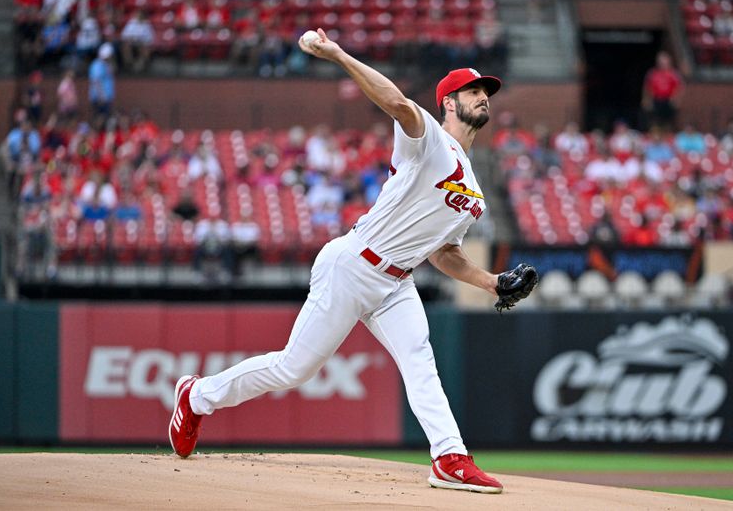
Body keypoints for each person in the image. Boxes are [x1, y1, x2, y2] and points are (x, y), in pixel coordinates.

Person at [169, 28, 513, 494]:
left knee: (419, 359)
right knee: (294, 368)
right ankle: (196, 396)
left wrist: (492, 283)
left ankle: (449, 457)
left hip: (396, 281)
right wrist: (337, 54)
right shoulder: (429, 140)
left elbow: (444, 253)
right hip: (353, 265)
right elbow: (396, 103)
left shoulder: (473, 189)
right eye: (473, 91)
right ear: (448, 102)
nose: (483, 98)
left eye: (485, 92)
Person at [641, 52, 682, 131]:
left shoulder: (674, 74)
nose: (662, 64)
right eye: (660, 62)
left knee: (668, 121)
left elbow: (679, 88)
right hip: (656, 99)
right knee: (654, 121)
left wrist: (676, 99)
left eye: (664, 62)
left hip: (668, 100)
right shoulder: (652, 73)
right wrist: (646, 100)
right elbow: (646, 88)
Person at [89, 43, 115, 119]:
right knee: (100, 118)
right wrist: (101, 96)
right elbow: (96, 81)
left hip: (107, 98)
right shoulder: (97, 65)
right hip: (100, 98)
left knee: (106, 118)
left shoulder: (106, 65)